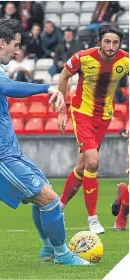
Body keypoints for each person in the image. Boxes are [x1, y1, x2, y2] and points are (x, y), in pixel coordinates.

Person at [0, 19, 90, 266]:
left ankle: (50, 249)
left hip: (5, 150)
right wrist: (47, 89)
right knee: (49, 199)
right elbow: (7, 86)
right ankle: (63, 255)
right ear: (1, 43)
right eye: (15, 45)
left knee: (44, 192)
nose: (17, 51)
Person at [57, 24, 129, 234]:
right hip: (82, 113)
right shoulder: (82, 57)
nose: (111, 46)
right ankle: (93, 219)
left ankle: (59, 207)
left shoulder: (125, 60)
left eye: (115, 42)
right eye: (107, 41)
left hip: (104, 116)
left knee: (82, 167)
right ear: (99, 42)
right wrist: (62, 112)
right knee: (93, 161)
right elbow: (63, 76)